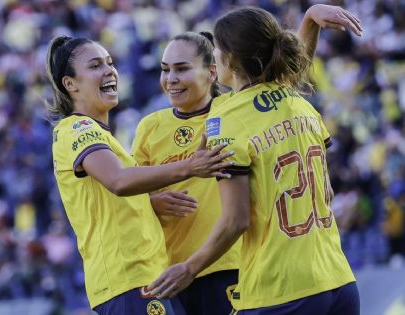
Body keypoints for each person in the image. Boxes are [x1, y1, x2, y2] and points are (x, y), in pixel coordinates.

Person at [149, 6, 362, 315]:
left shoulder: (225, 119)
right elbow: (291, 74)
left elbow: (236, 220)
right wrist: (310, 19)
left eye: (216, 50)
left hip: (280, 289)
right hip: (338, 281)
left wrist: (189, 268)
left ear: (230, 59)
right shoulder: (299, 103)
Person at [45, 36, 234, 315]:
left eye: (110, 63)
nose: (109, 71)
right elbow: (119, 181)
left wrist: (150, 203)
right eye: (96, 66)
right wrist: (189, 166)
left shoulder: (104, 136)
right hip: (127, 280)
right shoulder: (77, 128)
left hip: (149, 277)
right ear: (70, 84)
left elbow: (112, 199)